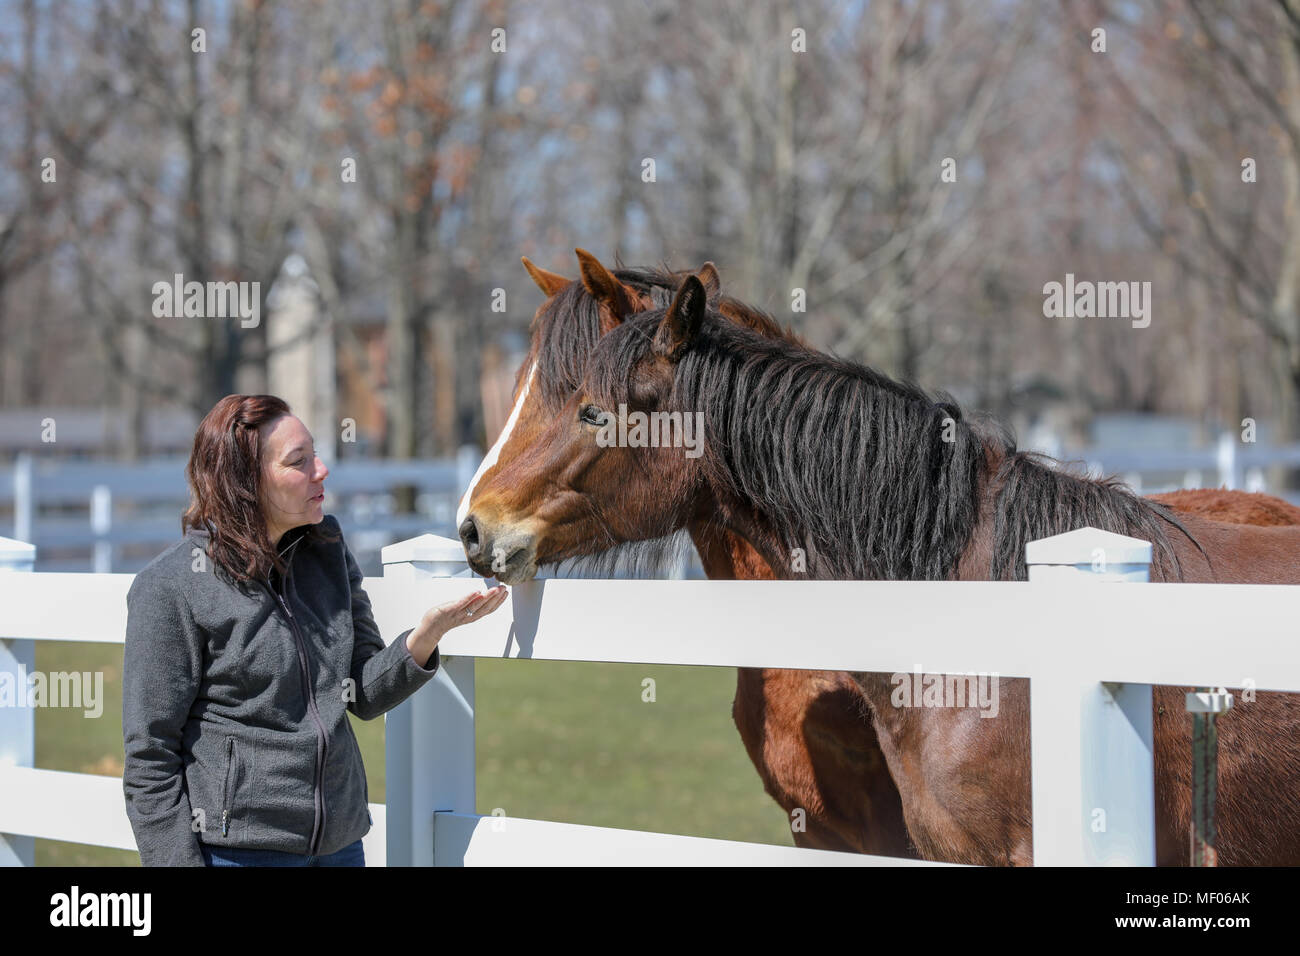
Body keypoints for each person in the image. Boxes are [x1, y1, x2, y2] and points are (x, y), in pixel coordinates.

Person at [121, 394, 506, 866]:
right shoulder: (170, 588)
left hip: (340, 844)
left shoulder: (327, 549)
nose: (321, 470)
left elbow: (359, 693)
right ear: (245, 482)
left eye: (315, 454)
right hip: (241, 852)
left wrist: (423, 638)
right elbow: (149, 759)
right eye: (298, 462)